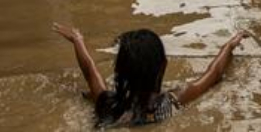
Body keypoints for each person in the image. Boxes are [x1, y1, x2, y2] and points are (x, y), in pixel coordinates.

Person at [52, 23, 247, 127]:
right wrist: (229, 45)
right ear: (163, 67)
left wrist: (77, 40)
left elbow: (90, 70)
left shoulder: (107, 104)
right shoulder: (173, 101)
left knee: (88, 95)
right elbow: (214, 73)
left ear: (119, 71)